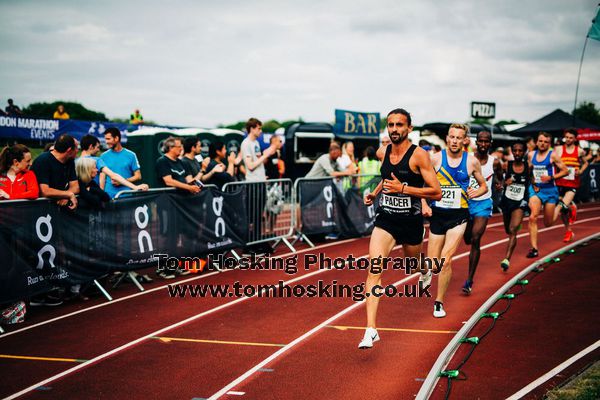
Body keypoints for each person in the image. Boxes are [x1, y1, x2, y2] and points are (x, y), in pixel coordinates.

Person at [358, 108, 441, 349]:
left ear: (409, 128)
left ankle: (424, 270)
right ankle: (370, 329)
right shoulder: (383, 152)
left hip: (410, 221)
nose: (394, 129)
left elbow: (436, 191)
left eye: (399, 125)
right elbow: (387, 178)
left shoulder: (420, 156)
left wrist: (405, 190)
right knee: (374, 269)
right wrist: (374, 194)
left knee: (411, 265)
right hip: (386, 219)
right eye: (391, 125)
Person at [421, 124, 487, 318]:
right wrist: (424, 204)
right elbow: (422, 185)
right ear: (447, 139)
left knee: (446, 260)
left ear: (465, 140)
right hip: (438, 215)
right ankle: (427, 270)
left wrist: (478, 190)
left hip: (459, 215)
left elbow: (484, 186)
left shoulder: (472, 162)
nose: (455, 141)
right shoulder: (434, 159)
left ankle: (439, 302)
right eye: (452, 137)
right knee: (434, 265)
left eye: (459, 137)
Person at [462, 131, 503, 294]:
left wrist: (500, 185)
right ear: (476, 142)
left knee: (475, 238)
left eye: (486, 141)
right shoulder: (468, 159)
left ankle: (469, 280)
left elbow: (500, 178)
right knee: (466, 238)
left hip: (483, 203)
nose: (483, 144)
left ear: (490, 143)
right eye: (481, 141)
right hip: (465, 203)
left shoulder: (495, 162)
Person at [526, 132, 569, 258]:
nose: (542, 144)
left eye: (545, 142)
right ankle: (534, 248)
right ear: (536, 142)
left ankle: (560, 206)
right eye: (540, 141)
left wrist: (551, 177)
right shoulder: (531, 155)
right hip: (536, 190)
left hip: (550, 191)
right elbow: (529, 171)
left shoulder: (553, 155)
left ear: (549, 144)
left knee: (548, 223)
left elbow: (565, 171)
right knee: (533, 216)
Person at [552, 128, 589, 242]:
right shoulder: (558, 149)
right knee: (563, 210)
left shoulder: (579, 151)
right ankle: (568, 231)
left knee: (562, 206)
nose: (568, 139)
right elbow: (552, 161)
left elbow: (586, 163)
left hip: (572, 183)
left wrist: (581, 171)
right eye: (566, 137)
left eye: (570, 138)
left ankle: (571, 206)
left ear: (575, 139)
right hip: (560, 182)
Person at [499, 141, 530, 271]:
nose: (517, 153)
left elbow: (531, 181)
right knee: (507, 229)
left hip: (520, 202)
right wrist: (505, 183)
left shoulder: (529, 166)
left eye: (520, 151)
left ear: (524, 152)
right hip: (507, 201)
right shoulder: (507, 165)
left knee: (512, 230)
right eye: (515, 151)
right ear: (512, 152)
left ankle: (507, 259)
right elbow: (500, 182)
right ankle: (516, 224)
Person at [79, 134, 148, 191]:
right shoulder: (96, 160)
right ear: (91, 146)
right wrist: (135, 187)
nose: (98, 150)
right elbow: (113, 176)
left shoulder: (74, 162)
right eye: (97, 147)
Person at [31, 134, 79, 210]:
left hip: (55, 208)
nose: (78, 150)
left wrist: (65, 196)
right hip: (37, 208)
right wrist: (68, 194)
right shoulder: (43, 160)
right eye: (76, 148)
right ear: (69, 150)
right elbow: (45, 191)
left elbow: (75, 187)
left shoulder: (69, 160)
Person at [100, 127, 142, 199]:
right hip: (108, 197)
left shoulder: (131, 155)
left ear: (116, 138)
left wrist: (122, 181)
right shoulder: (103, 156)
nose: (106, 142)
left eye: (108, 139)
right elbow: (102, 177)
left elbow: (138, 176)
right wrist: (101, 195)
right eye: (105, 139)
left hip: (126, 196)